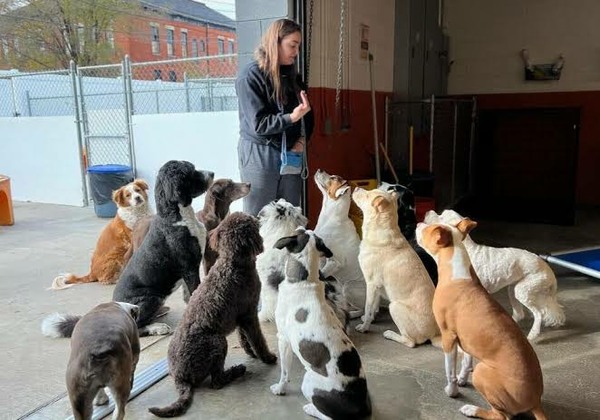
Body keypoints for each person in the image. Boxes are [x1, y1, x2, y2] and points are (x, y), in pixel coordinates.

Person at [236, 18, 314, 216]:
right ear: (275, 43)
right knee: (259, 216)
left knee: (290, 215)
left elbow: (308, 116)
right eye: (292, 45)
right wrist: (291, 118)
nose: (296, 52)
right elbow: (259, 124)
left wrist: (302, 140)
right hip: (261, 152)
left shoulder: (292, 77)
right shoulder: (251, 76)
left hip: (291, 153)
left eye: (298, 46)